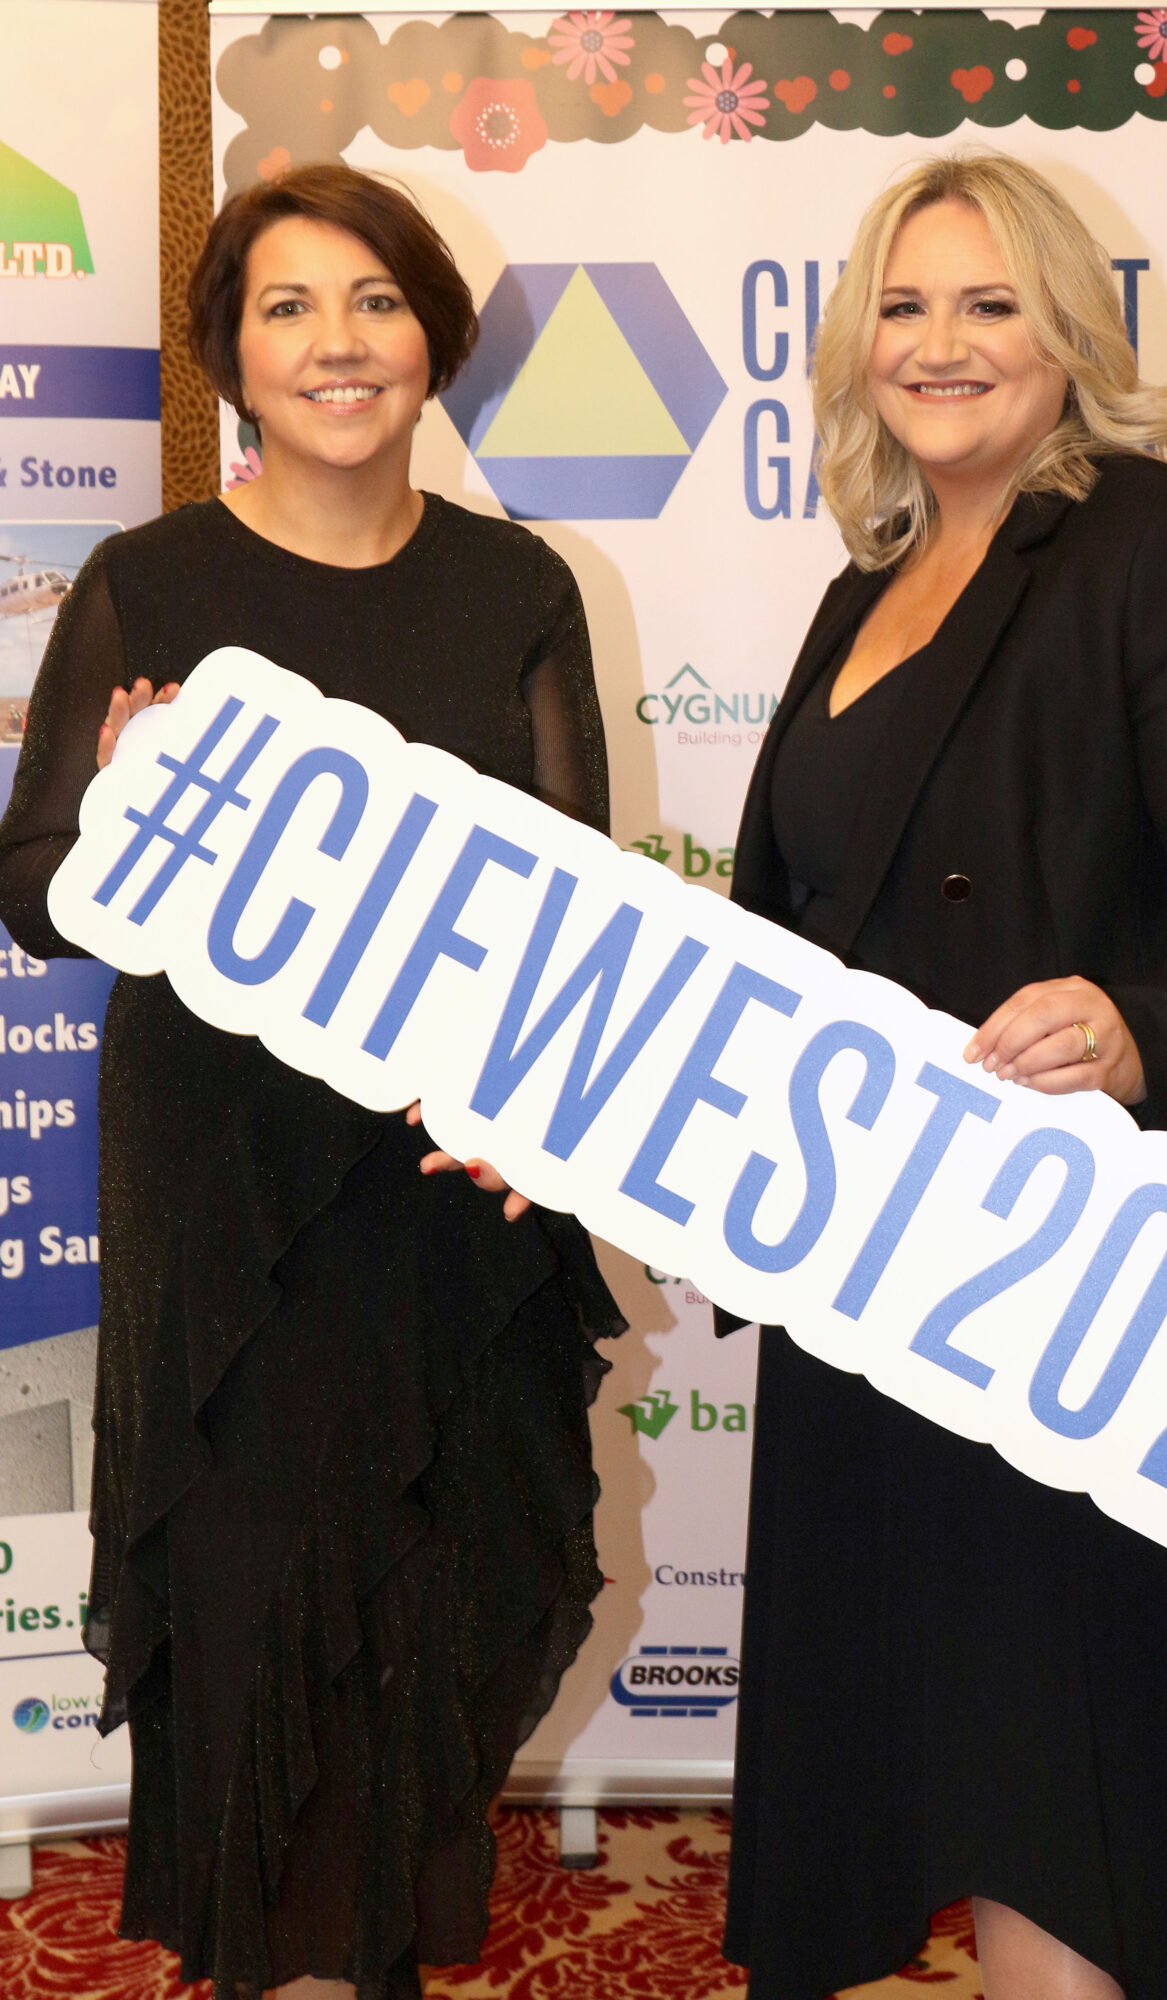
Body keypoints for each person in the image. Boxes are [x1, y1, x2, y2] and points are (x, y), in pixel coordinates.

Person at [717, 152, 1167, 2000]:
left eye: (990, 302)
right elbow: (785, 932)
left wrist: (1143, 1026)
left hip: (1084, 1274)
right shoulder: (862, 588)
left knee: (1057, 1787)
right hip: (879, 1268)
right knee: (965, 1762)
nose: (941, 344)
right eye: (904, 305)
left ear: (1070, 334)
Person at [0, 165, 623, 2000]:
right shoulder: (152, 583)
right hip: (234, 1216)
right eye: (287, 306)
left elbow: (575, 903)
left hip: (450, 1205)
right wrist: (129, 818)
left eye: (374, 299)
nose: (337, 343)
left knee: (438, 1627)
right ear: (230, 356)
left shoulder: (518, 585)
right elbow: (34, 891)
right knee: (261, 1635)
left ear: (432, 336)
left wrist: (540, 1125)